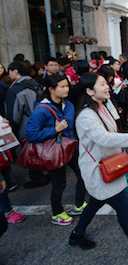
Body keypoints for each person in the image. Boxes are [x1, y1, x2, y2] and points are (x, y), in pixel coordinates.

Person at [69, 72, 128, 251]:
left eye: (106, 83)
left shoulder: (102, 106)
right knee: (123, 205)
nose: (107, 86)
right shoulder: (87, 116)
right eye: (102, 84)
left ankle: (77, 235)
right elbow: (106, 139)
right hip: (99, 170)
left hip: (109, 166)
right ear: (89, 90)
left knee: (95, 201)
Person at [24, 74, 87, 226]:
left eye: (67, 86)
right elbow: (30, 135)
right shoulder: (42, 110)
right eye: (63, 87)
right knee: (59, 184)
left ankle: (79, 205)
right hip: (54, 151)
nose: (67, 89)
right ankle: (57, 213)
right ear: (51, 89)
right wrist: (54, 129)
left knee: (84, 175)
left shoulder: (68, 104)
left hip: (71, 147)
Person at [5, 61, 45, 189]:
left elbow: (14, 116)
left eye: (10, 72)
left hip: (27, 126)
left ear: (15, 72)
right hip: (42, 122)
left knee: (30, 152)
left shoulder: (15, 90)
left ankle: (38, 178)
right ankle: (45, 173)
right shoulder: (36, 84)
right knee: (40, 149)